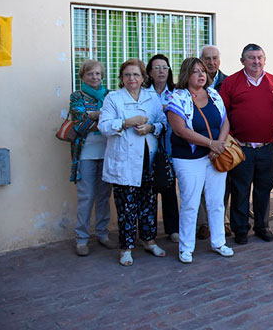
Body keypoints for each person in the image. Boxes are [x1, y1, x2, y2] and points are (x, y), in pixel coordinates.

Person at [99, 59, 168, 266]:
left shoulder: (151, 98)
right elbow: (104, 126)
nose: (132, 79)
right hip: (125, 162)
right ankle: (126, 248)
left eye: (136, 75)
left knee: (148, 203)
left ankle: (149, 241)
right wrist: (126, 123)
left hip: (148, 159)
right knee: (126, 207)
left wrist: (151, 128)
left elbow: (163, 122)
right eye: (127, 75)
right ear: (122, 78)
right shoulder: (113, 98)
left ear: (143, 77)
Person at [166, 57, 234, 263]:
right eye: (196, 71)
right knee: (190, 202)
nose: (202, 75)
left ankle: (219, 242)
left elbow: (225, 122)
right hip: (189, 158)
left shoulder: (214, 95)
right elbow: (180, 130)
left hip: (215, 156)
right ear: (187, 75)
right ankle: (186, 248)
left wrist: (219, 145)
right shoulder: (176, 98)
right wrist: (210, 144)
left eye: (203, 71)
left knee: (216, 201)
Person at [220, 43, 273, 244]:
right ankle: (240, 229)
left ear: (264, 60)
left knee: (264, 188)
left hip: (267, 148)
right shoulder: (231, 83)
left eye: (260, 58)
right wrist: (230, 139)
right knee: (240, 190)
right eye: (251, 58)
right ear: (242, 61)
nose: (256, 62)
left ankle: (262, 226)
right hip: (242, 148)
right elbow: (222, 115)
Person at [68, 59, 117, 256]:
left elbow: (114, 119)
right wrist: (103, 117)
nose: (94, 77)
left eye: (97, 73)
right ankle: (81, 239)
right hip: (86, 155)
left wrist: (93, 115)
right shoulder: (76, 96)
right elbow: (78, 124)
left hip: (107, 153)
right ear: (82, 77)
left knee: (104, 196)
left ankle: (102, 234)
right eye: (90, 74)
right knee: (86, 196)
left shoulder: (110, 95)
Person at [196, 45, 229, 239]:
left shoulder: (227, 82)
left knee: (221, 184)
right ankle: (203, 224)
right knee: (200, 186)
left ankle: (222, 221)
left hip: (222, 140)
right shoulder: (193, 83)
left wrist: (220, 142)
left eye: (214, 58)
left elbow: (227, 114)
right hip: (199, 140)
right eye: (207, 59)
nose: (211, 62)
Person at [146, 54, 179, 244]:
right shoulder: (143, 93)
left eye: (165, 67)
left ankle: (172, 228)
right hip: (148, 148)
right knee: (148, 190)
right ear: (150, 72)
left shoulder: (175, 92)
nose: (161, 71)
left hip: (170, 148)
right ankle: (148, 231)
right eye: (157, 68)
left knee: (168, 187)